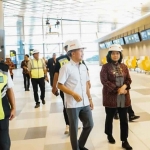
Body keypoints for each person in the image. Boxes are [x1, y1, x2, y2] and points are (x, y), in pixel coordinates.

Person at [57, 39, 94, 150]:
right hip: (72, 104)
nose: (83, 53)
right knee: (73, 129)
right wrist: (73, 94)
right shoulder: (66, 67)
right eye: (80, 51)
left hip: (85, 102)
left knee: (89, 124)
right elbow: (60, 85)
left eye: (83, 51)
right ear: (72, 53)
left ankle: (80, 145)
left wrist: (90, 99)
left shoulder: (83, 66)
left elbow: (86, 84)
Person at [52, 40, 90, 134]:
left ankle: (75, 122)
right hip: (66, 88)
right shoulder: (60, 60)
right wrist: (54, 87)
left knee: (80, 107)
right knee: (67, 106)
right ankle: (68, 124)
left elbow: (85, 71)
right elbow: (56, 74)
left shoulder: (80, 60)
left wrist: (88, 83)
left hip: (79, 88)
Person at [100, 44, 132, 150]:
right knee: (109, 118)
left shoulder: (124, 66)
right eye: (113, 53)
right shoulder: (105, 67)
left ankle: (124, 140)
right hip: (110, 97)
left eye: (117, 53)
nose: (115, 55)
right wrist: (117, 89)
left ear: (120, 55)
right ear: (110, 55)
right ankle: (109, 134)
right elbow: (105, 81)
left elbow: (128, 79)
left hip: (123, 97)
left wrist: (124, 86)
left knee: (124, 119)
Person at [0, 62, 16, 150]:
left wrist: (13, 107)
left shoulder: (3, 69)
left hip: (2, 113)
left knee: (4, 144)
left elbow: (9, 89)